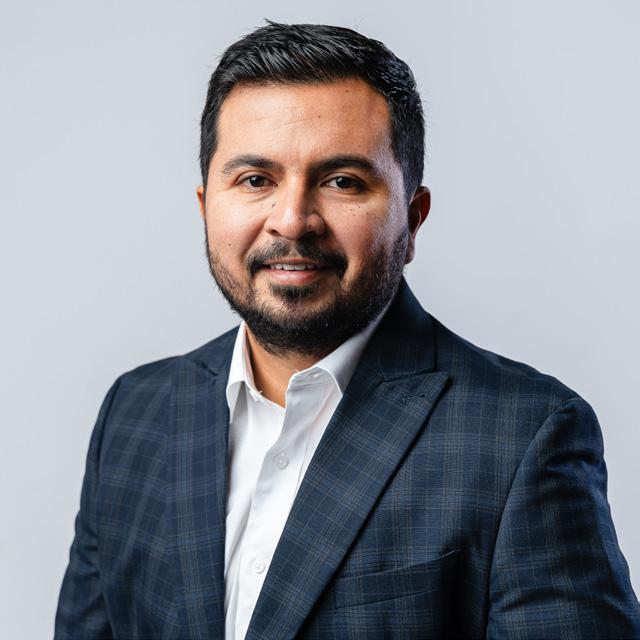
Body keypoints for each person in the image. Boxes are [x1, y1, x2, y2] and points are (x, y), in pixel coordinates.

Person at [55, 21, 640, 639]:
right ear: (206, 207)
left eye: (342, 182)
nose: (292, 220)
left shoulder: (524, 436)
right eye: (255, 180)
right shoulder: (133, 413)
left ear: (412, 221)